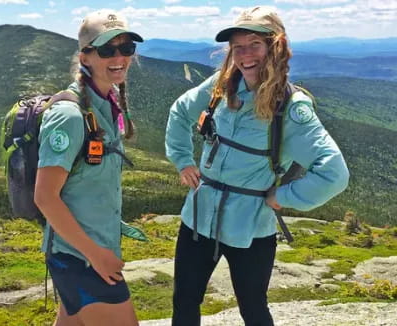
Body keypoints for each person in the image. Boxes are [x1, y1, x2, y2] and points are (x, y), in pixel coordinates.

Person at [165, 6, 349, 326]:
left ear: (274, 48)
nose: (245, 55)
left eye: (255, 45)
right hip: (200, 215)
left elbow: (334, 173)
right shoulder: (222, 85)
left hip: (250, 224)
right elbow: (180, 112)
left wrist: (284, 197)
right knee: (184, 301)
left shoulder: (291, 108)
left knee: (252, 307)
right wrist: (183, 161)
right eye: (238, 47)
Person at [34, 9, 143, 326]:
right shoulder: (70, 115)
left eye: (127, 48)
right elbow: (45, 197)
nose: (119, 57)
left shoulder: (105, 103)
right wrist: (96, 255)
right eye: (108, 49)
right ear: (86, 56)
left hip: (81, 253)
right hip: (81, 257)